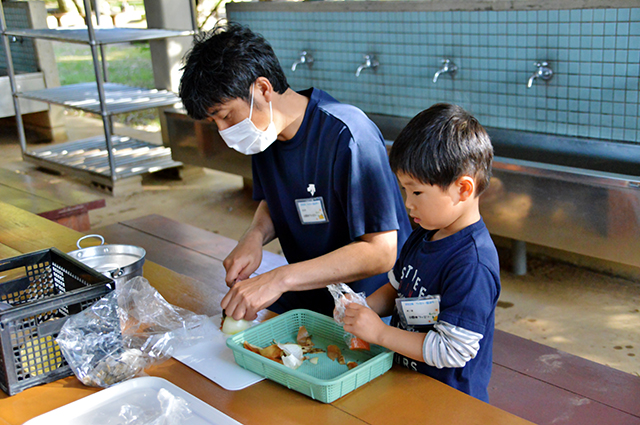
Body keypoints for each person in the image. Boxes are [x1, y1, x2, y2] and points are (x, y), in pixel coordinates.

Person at [178, 23, 411, 321]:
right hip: (309, 291)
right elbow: (276, 200)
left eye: (225, 116)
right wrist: (254, 236)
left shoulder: (349, 136)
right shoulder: (265, 135)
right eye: (215, 123)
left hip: (369, 305)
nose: (225, 131)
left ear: (263, 89)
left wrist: (278, 278)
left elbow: (381, 251)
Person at [342, 103, 501, 402]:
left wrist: (379, 334)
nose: (408, 204)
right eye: (404, 191)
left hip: (447, 400)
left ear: (463, 189)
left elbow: (451, 350)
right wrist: (362, 308)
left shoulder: (473, 264)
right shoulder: (423, 234)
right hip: (406, 381)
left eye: (416, 192)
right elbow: (397, 286)